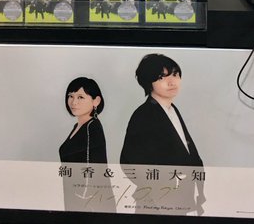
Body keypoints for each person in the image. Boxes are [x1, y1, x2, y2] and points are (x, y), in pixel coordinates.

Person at [120, 53, 204, 215]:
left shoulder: (172, 110)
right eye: (161, 77)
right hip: (157, 206)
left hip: (182, 201)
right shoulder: (143, 115)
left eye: (175, 74)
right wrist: (161, 196)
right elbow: (129, 162)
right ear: (148, 82)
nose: (172, 82)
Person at [59, 77, 107, 163]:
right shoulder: (77, 126)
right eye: (71, 96)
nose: (74, 102)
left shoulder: (92, 127)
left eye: (80, 97)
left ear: (96, 101)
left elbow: (97, 166)